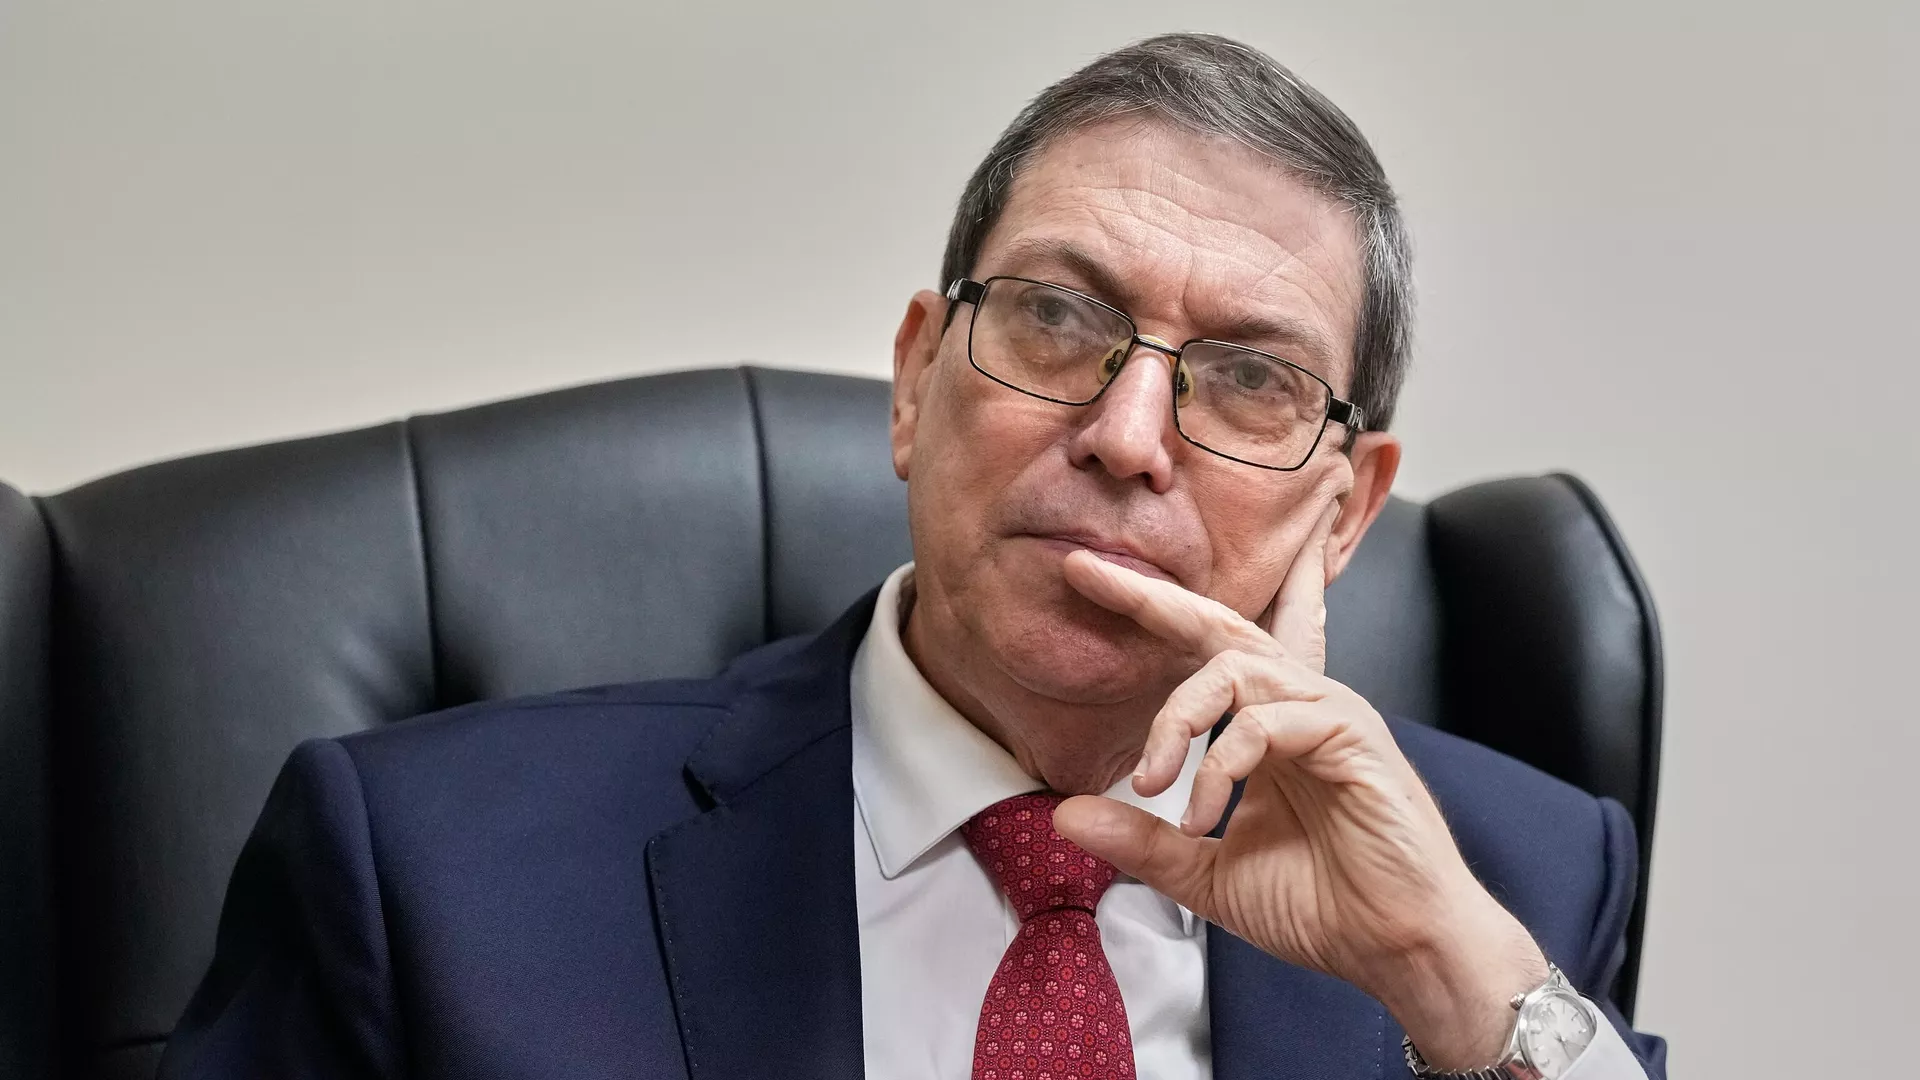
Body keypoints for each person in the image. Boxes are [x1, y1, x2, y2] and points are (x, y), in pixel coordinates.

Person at [158, 33, 1666, 1080]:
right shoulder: (427, 874)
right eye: (1057, 319)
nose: (1128, 435)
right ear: (913, 380)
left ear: (1341, 514)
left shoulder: (1511, 885)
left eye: (1249, 379)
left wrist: (1461, 988)